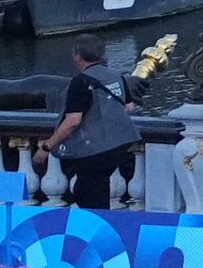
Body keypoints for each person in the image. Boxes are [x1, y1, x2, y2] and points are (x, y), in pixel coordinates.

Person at [45, 38, 145, 210]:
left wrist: (47, 147)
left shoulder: (80, 82)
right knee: (91, 188)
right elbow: (128, 106)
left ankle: (96, 232)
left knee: (90, 194)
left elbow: (72, 121)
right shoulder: (117, 76)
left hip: (94, 148)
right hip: (119, 143)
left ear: (77, 56)